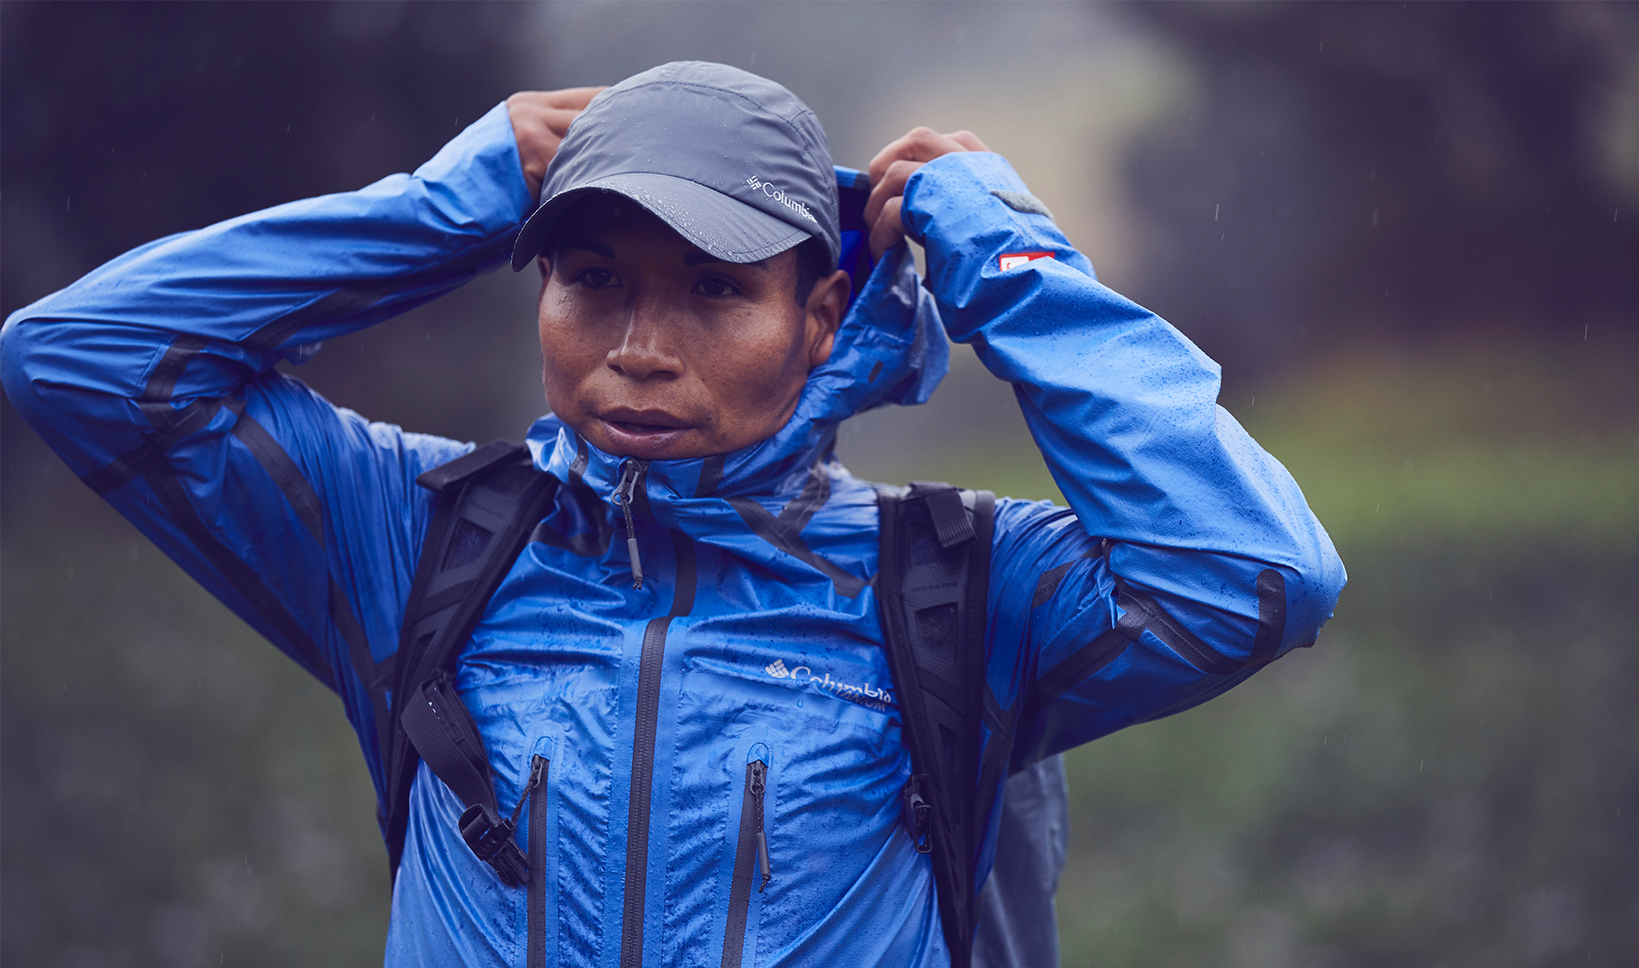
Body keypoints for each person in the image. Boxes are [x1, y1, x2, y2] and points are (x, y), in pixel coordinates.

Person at [1, 62, 1344, 967]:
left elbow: (1255, 576)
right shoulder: (414, 539)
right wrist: (442, 207)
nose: (641, 344)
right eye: (591, 278)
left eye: (714, 290)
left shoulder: (948, 590)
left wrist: (1009, 261)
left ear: (819, 318)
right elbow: (80, 360)